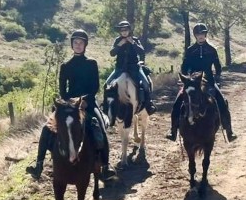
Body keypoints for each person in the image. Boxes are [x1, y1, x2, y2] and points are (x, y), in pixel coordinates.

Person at [26, 29, 117, 181]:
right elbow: (63, 90)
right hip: (69, 104)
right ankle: (38, 164)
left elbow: (95, 86)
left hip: (88, 103)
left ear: (85, 45)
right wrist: (70, 102)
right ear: (72, 45)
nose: (78, 45)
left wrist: (85, 99)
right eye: (76, 42)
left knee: (100, 126)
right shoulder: (65, 66)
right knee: (46, 128)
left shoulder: (91, 63)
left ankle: (106, 166)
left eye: (81, 43)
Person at [165, 23, 237, 142]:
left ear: (205, 34)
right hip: (192, 82)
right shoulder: (190, 50)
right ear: (195, 36)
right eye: (198, 34)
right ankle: (173, 130)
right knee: (177, 103)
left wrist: (217, 78)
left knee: (222, 102)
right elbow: (184, 66)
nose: (201, 36)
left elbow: (218, 67)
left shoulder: (212, 50)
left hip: (208, 81)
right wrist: (186, 78)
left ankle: (229, 131)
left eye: (202, 34)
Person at [103, 20, 156, 115]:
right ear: (119, 31)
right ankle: (105, 106)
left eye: (126, 30)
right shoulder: (117, 40)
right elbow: (112, 53)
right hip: (119, 69)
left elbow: (141, 51)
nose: (124, 32)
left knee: (146, 83)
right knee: (106, 84)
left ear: (129, 30)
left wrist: (133, 43)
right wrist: (119, 45)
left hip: (134, 68)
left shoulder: (135, 39)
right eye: (122, 30)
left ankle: (149, 104)